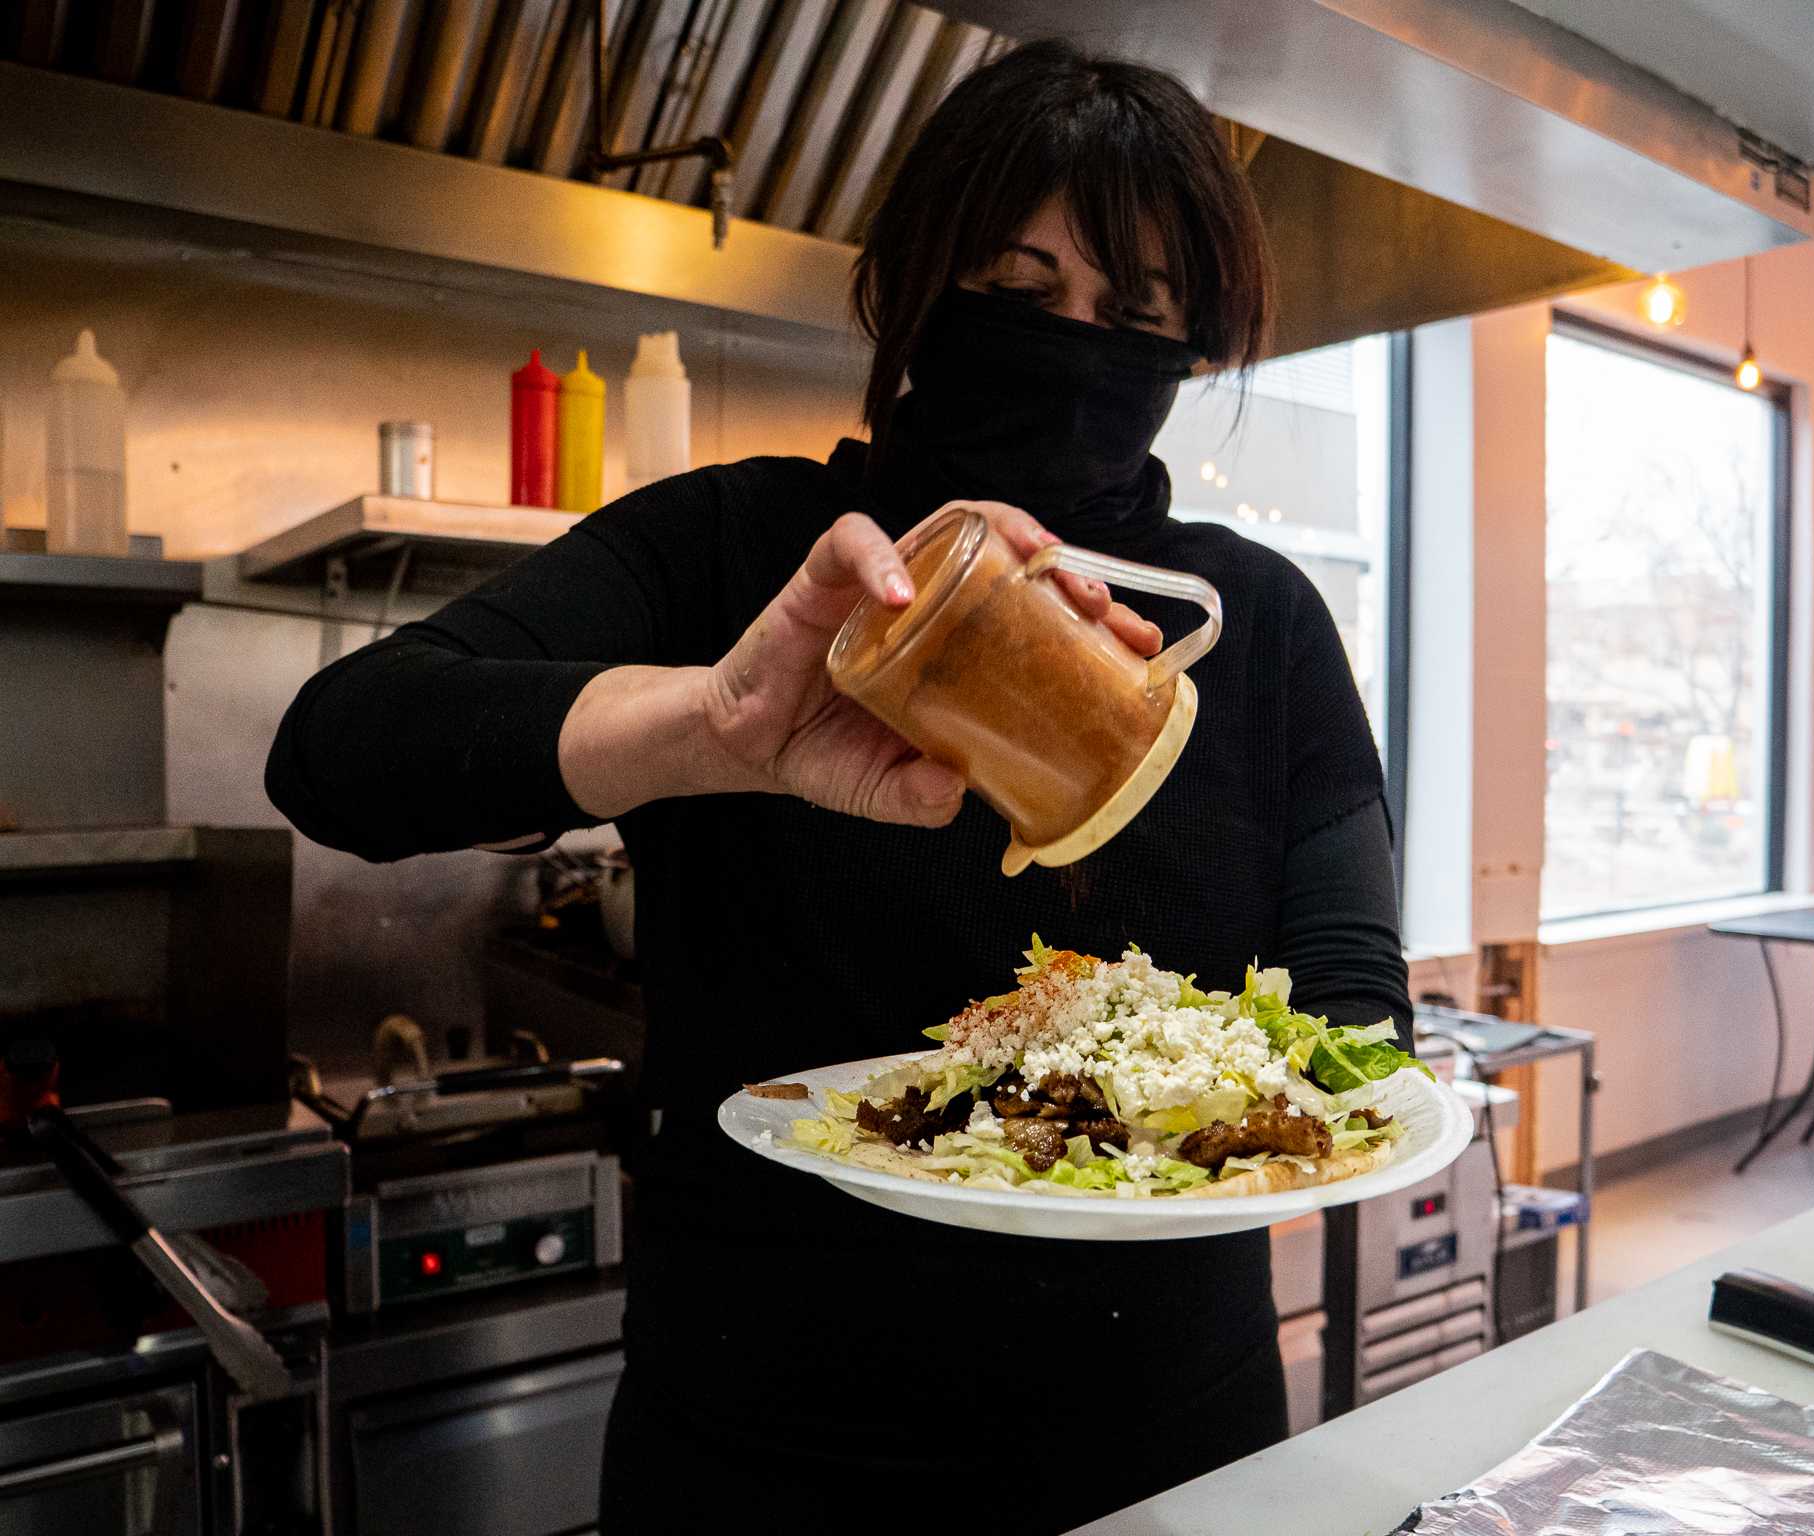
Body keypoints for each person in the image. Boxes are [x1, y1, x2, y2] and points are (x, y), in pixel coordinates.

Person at [267, 39, 1409, 1532]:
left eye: (1136, 315)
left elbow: (1347, 998)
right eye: (1014, 287)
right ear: (915, 287)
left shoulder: (1246, 625)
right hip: (762, 1441)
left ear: (1192, 356)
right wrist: (716, 724)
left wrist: (1335, 1095)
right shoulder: (741, 555)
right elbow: (340, 749)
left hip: (1166, 1437)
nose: (1073, 343)